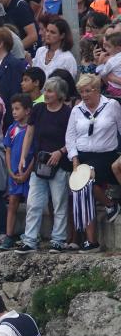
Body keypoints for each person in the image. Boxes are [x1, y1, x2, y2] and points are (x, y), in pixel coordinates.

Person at [16, 77, 72, 254]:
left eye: (50, 91)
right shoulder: (39, 109)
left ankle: (58, 239)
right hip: (39, 163)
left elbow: (73, 138)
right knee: (33, 203)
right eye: (45, 90)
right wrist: (23, 157)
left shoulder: (67, 112)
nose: (45, 94)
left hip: (59, 163)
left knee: (59, 202)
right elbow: (29, 133)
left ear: (60, 94)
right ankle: (30, 239)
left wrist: (60, 152)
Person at [66, 74, 121, 253]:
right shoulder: (76, 110)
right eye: (81, 91)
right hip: (82, 156)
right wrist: (74, 159)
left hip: (106, 155)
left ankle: (110, 203)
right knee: (82, 191)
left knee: (87, 180)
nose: (84, 95)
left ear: (97, 90)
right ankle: (92, 241)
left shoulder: (111, 106)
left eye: (88, 91)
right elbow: (70, 136)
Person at [0, 94, 33, 251]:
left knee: (31, 204)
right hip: (14, 174)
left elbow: (35, 153)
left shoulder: (32, 130)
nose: (14, 112)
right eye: (12, 109)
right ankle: (9, 236)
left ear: (27, 111)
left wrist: (27, 172)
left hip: (29, 174)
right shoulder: (12, 129)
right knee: (12, 202)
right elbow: (8, 151)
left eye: (17, 109)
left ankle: (31, 235)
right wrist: (11, 172)